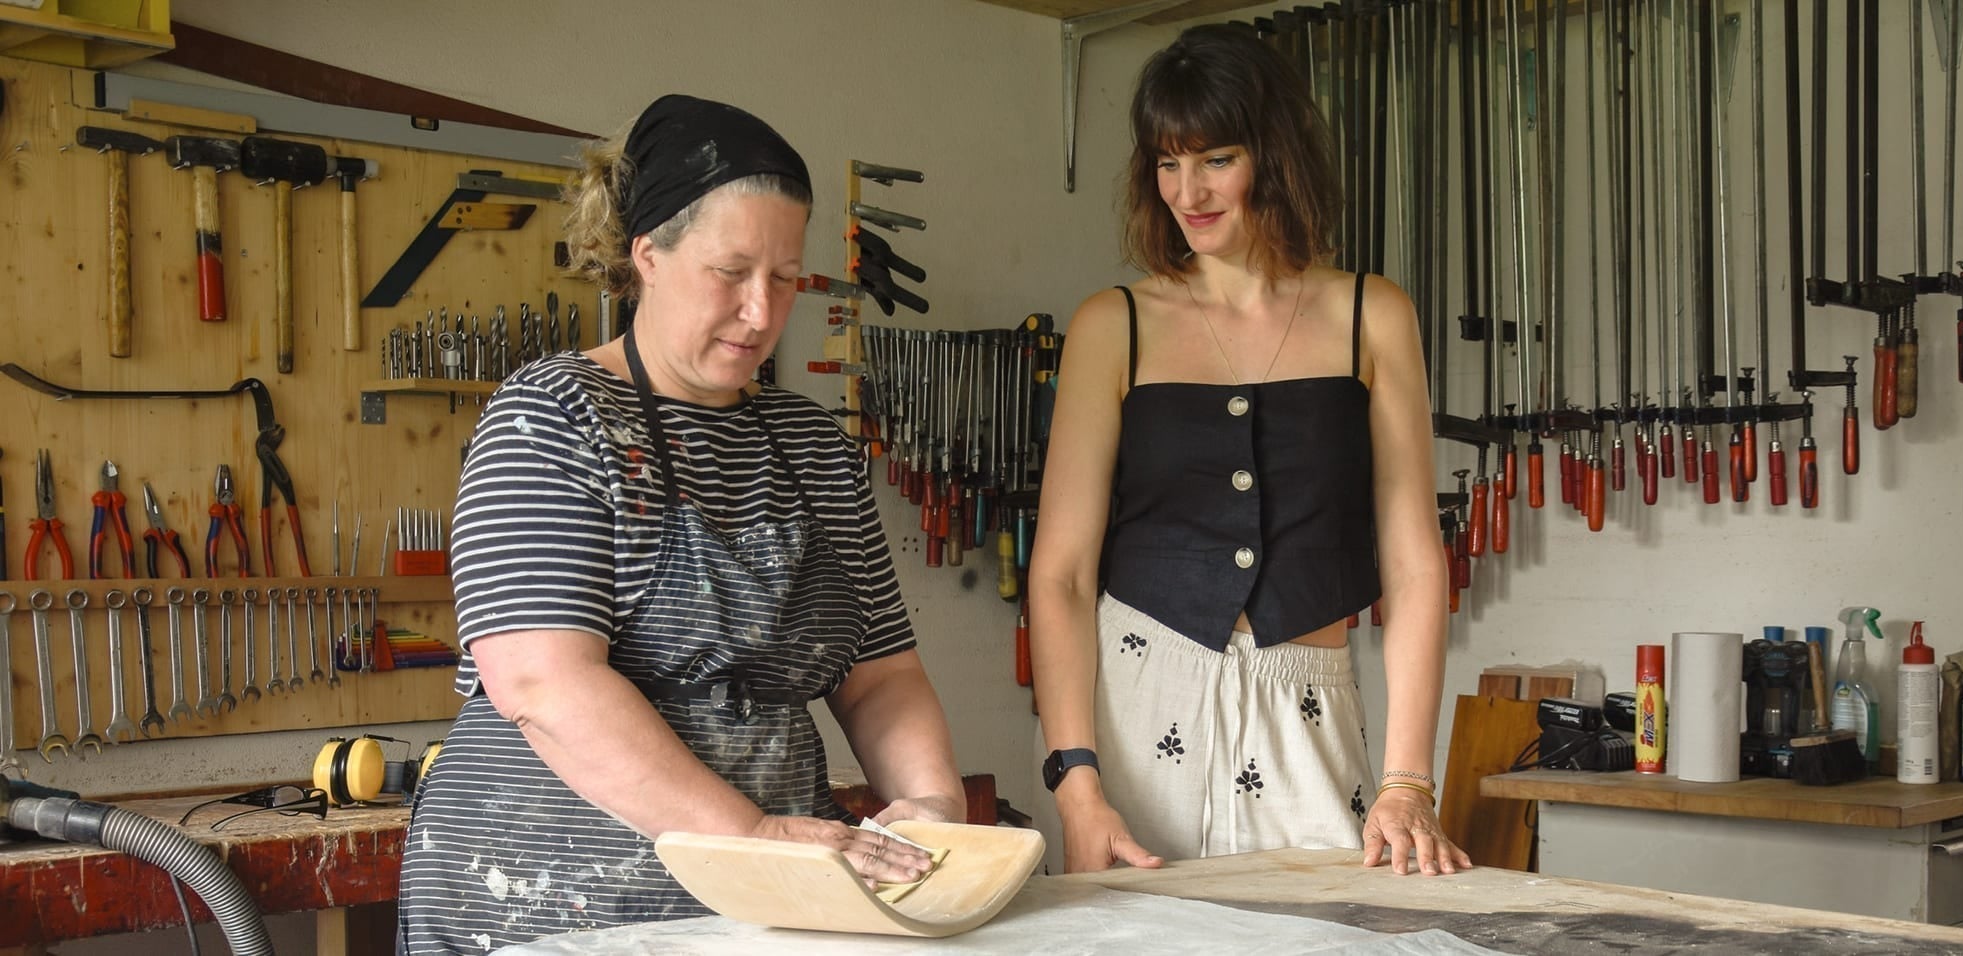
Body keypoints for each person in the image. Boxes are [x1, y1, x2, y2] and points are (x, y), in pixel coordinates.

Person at [397, 94, 964, 953]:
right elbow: (545, 685)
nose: (762, 312)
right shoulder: (551, 418)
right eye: (731, 273)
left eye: (785, 278)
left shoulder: (810, 443)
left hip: (764, 904)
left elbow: (879, 674)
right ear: (648, 255)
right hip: (547, 901)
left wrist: (932, 806)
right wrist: (750, 835)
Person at [1029, 24, 1473, 878]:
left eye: (1214, 160)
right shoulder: (1110, 325)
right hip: (1137, 700)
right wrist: (1075, 781)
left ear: (1273, 155)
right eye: (1166, 163)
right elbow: (1061, 576)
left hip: (1307, 700)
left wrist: (1409, 779)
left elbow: (1416, 562)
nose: (1186, 191)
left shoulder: (1371, 314)